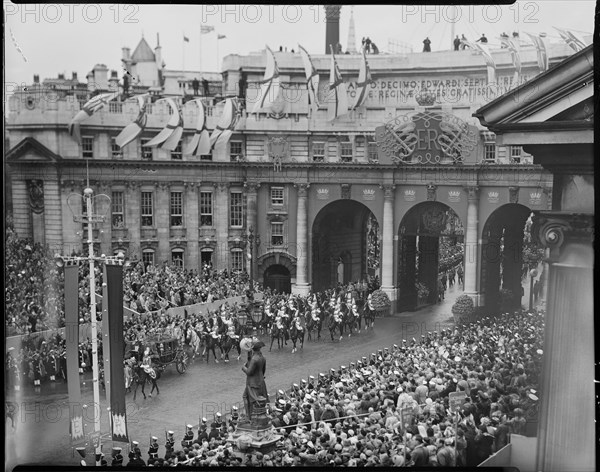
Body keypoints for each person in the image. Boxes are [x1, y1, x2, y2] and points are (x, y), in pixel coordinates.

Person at [242, 340, 269, 418]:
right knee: (255, 400)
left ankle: (249, 416)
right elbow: (263, 371)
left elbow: (249, 372)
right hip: (260, 381)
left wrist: (243, 367)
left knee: (246, 397)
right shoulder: (263, 358)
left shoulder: (254, 359)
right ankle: (253, 416)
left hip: (252, 382)